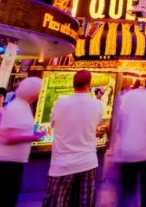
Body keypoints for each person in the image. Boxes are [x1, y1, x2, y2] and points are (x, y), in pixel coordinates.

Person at [43, 70, 103, 207]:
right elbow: (97, 120)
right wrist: (98, 98)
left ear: (73, 84)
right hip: (87, 161)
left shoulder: (60, 103)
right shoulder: (97, 105)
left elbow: (52, 123)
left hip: (62, 164)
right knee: (85, 202)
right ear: (89, 84)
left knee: (57, 201)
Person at [0, 77, 45, 207]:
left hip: (12, 162)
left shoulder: (23, 105)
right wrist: (31, 137)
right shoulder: (16, 107)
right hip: (3, 163)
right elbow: (6, 138)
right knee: (3, 201)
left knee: (7, 200)